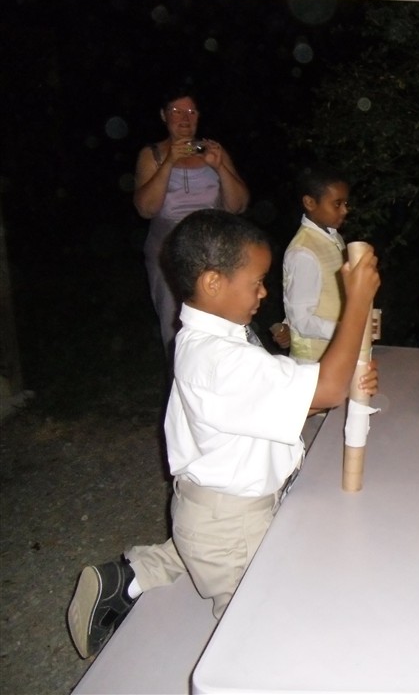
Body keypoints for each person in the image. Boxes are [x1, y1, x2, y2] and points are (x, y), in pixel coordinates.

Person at [66, 209, 379, 659]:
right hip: (230, 523)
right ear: (213, 282)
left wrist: (331, 384)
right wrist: (358, 303)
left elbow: (282, 397)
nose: (264, 292)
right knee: (258, 635)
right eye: (257, 282)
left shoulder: (221, 340)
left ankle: (133, 575)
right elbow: (324, 389)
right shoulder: (218, 360)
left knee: (207, 544)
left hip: (216, 513)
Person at [134, 87, 250, 354]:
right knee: (177, 328)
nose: (185, 118)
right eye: (176, 111)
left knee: (223, 324)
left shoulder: (213, 151)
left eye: (191, 111)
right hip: (169, 256)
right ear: (163, 116)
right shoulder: (152, 155)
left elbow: (238, 205)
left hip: (214, 254)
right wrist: (169, 162)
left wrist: (219, 166)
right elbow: (146, 209)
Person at [282, 169, 351, 363]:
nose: (345, 210)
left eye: (346, 203)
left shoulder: (334, 237)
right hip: (314, 361)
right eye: (337, 204)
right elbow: (301, 320)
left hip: (336, 353)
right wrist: (347, 329)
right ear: (310, 203)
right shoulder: (303, 252)